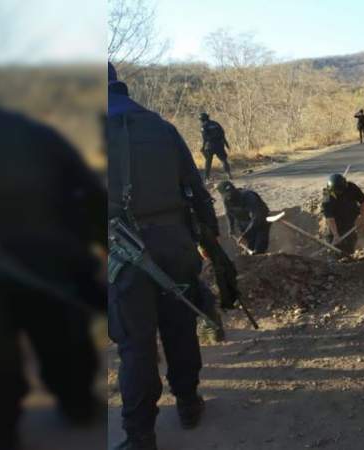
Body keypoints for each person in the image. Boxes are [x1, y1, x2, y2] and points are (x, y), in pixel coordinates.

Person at [0, 64, 106, 450]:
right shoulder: (24, 129)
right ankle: (78, 405)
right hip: (54, 261)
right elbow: (89, 193)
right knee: (64, 340)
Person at [108, 62, 231, 450]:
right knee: (179, 325)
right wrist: (210, 242)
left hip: (122, 256)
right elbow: (195, 189)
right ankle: (189, 403)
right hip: (175, 245)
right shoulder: (161, 127)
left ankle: (140, 435)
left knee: (135, 344)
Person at [216, 181, 271, 255]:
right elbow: (228, 213)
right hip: (243, 222)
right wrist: (231, 228)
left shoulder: (249, 196)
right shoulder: (226, 199)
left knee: (259, 248)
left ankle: (260, 255)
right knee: (250, 246)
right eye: (228, 195)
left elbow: (257, 217)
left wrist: (244, 235)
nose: (230, 196)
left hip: (261, 221)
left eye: (232, 193)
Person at [321, 174, 364, 255]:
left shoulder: (351, 187)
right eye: (338, 192)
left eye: (342, 190)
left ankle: (349, 255)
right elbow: (330, 219)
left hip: (351, 217)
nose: (340, 193)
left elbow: (363, 202)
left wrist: (362, 217)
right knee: (332, 247)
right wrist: (335, 235)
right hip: (336, 221)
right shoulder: (327, 199)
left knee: (350, 245)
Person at [199, 112, 232, 182]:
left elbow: (205, 138)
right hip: (219, 144)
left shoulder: (204, 126)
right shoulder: (216, 124)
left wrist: (203, 147)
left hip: (210, 146)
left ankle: (207, 178)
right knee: (223, 160)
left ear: (201, 119)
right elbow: (222, 134)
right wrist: (226, 144)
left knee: (208, 162)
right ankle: (229, 174)